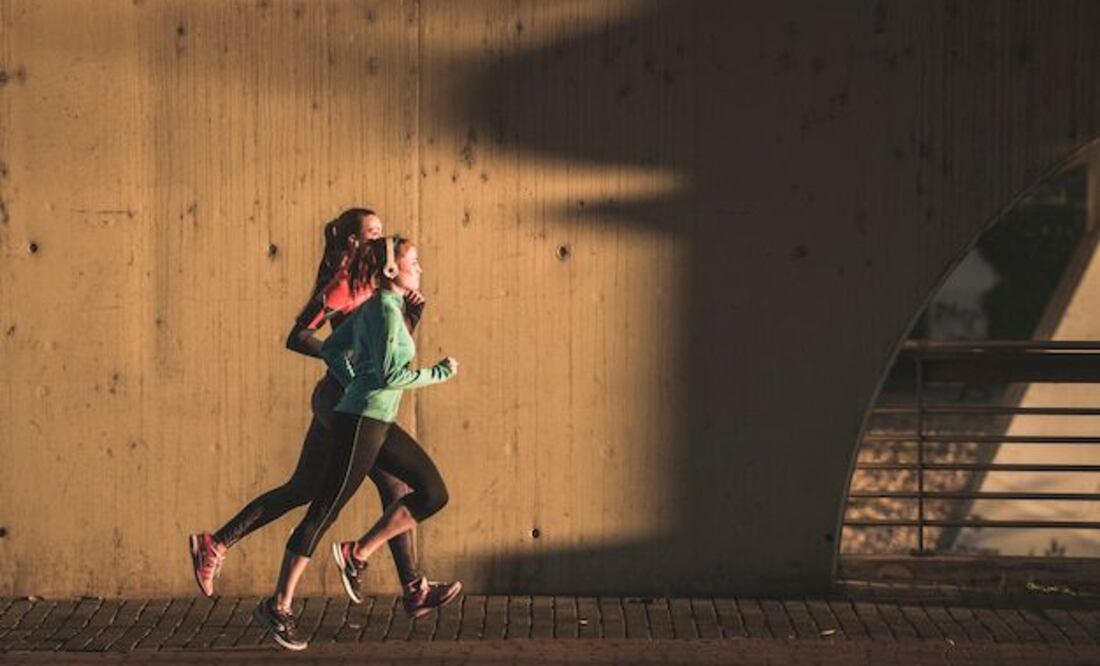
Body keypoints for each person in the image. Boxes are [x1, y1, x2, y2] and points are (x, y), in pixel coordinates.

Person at [187, 210, 458, 617]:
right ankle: (403, 583)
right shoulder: (344, 285)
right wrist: (346, 370)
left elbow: (386, 350)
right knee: (394, 488)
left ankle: (217, 543)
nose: (381, 239)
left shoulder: (375, 284)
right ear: (352, 242)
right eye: (372, 233)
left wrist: (410, 319)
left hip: (347, 399)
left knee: (305, 487)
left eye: (383, 233)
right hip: (343, 401)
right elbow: (301, 337)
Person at [252, 235, 459, 651]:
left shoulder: (385, 308)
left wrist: (353, 384)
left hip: (373, 418)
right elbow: (388, 377)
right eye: (412, 261)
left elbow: (331, 349)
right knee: (323, 510)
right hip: (362, 423)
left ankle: (357, 551)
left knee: (433, 493)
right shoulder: (382, 310)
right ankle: (279, 605)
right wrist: (439, 373)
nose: (419, 267)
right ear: (389, 270)